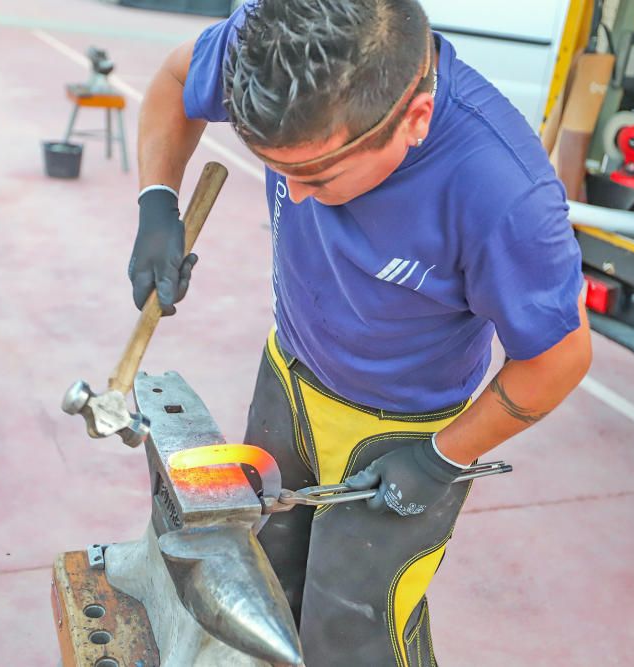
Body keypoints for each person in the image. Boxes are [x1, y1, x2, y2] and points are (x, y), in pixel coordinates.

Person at [129, 0, 592, 664]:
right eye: (276, 167)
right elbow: (178, 82)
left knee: (351, 636)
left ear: (416, 120)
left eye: (317, 175)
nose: (293, 195)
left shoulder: (503, 193)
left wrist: (442, 456)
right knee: (259, 590)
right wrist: (157, 205)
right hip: (288, 378)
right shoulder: (278, 43)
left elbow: (560, 357)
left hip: (400, 431)